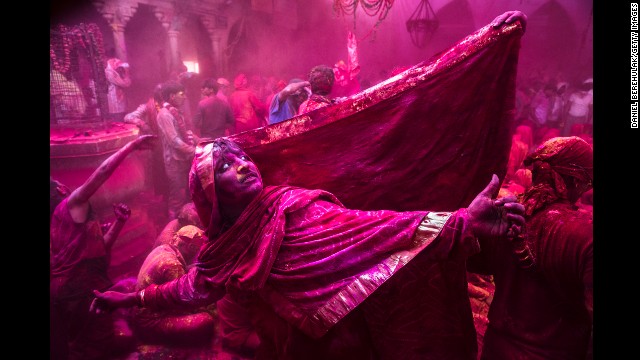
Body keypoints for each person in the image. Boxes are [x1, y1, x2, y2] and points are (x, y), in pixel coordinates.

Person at [92, 137, 525, 360]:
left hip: (345, 343)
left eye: (242, 157)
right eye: (225, 166)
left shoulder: (292, 204)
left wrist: (460, 222)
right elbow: (187, 291)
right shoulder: (224, 251)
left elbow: (372, 229)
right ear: (211, 193)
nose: (243, 164)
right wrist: (129, 298)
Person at [467, 136, 593, 359]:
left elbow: (476, 262)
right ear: (574, 180)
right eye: (587, 182)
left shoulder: (504, 214)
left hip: (496, 349)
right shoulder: (585, 232)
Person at [50, 134, 156, 360]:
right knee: (93, 346)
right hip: (79, 291)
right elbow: (101, 173)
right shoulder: (71, 205)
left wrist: (119, 222)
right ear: (59, 192)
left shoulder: (63, 220)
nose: (65, 186)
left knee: (78, 343)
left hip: (67, 290)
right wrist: (130, 146)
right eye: (60, 184)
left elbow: (99, 251)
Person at [132, 225, 217, 359]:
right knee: (206, 320)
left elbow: (185, 269)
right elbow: (187, 301)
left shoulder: (163, 249)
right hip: (150, 322)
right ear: (191, 249)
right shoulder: (173, 266)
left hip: (140, 312)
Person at [156, 80, 197, 220]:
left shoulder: (175, 112)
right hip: (174, 163)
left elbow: (186, 134)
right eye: (181, 94)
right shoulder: (164, 115)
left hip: (184, 160)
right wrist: (193, 150)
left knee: (186, 194)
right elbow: (174, 141)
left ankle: (184, 224)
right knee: (176, 198)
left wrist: (201, 141)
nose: (185, 97)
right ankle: (172, 230)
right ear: (172, 96)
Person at [124, 83, 168, 198]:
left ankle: (166, 194)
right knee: (158, 168)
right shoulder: (146, 107)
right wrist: (143, 124)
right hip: (155, 142)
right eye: (160, 93)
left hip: (167, 141)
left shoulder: (168, 106)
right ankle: (161, 194)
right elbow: (128, 117)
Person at [105, 57, 132, 122]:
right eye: (117, 64)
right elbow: (126, 84)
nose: (118, 66)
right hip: (116, 106)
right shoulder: (110, 73)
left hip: (118, 106)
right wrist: (127, 73)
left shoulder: (112, 72)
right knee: (120, 123)